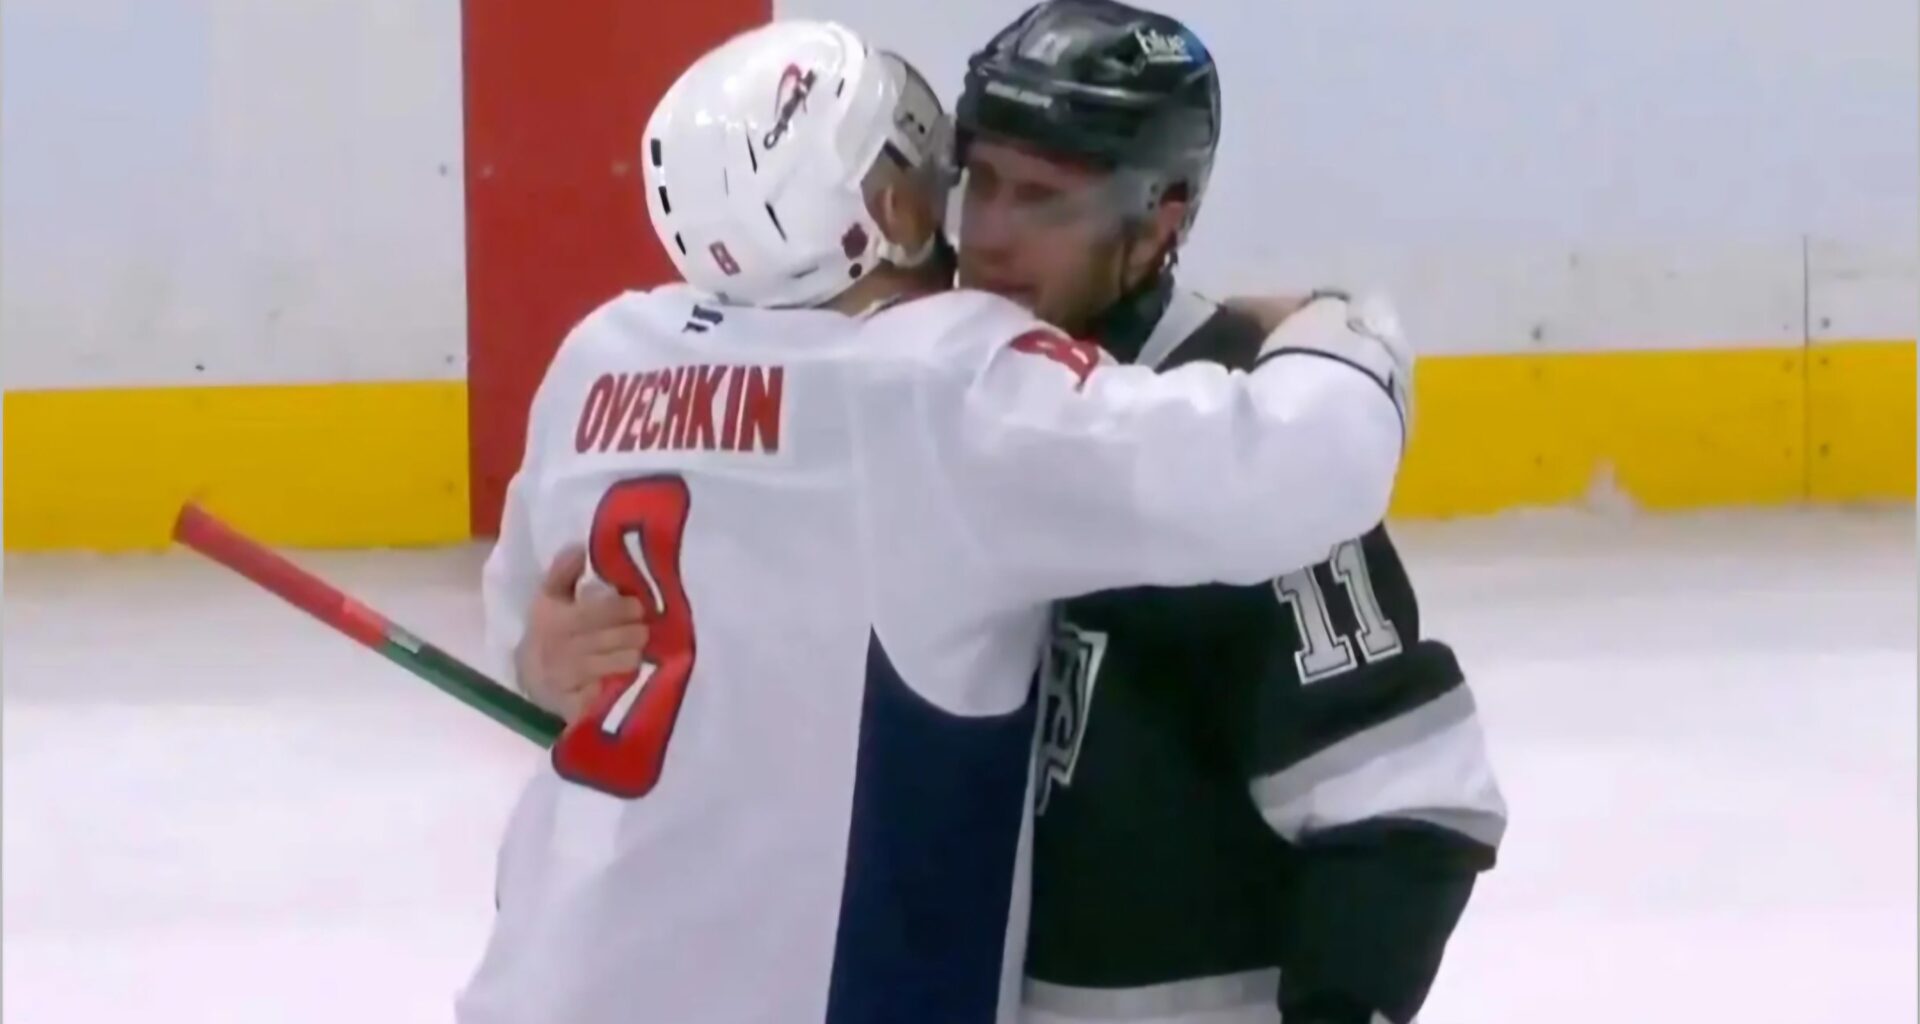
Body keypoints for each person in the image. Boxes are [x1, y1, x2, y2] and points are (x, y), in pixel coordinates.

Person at [459, 17, 1414, 1024]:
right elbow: (1303, 468)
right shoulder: (944, 383)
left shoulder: (607, 356)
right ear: (884, 207)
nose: (969, 217)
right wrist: (1340, 328)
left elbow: (534, 628)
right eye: (938, 171)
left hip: (540, 986)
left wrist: (537, 658)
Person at [948, 3, 1508, 1023]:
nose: (989, 234)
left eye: (1041, 198)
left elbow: (1401, 805)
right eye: (978, 181)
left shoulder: (1239, 449)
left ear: (1161, 217)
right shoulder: (927, 388)